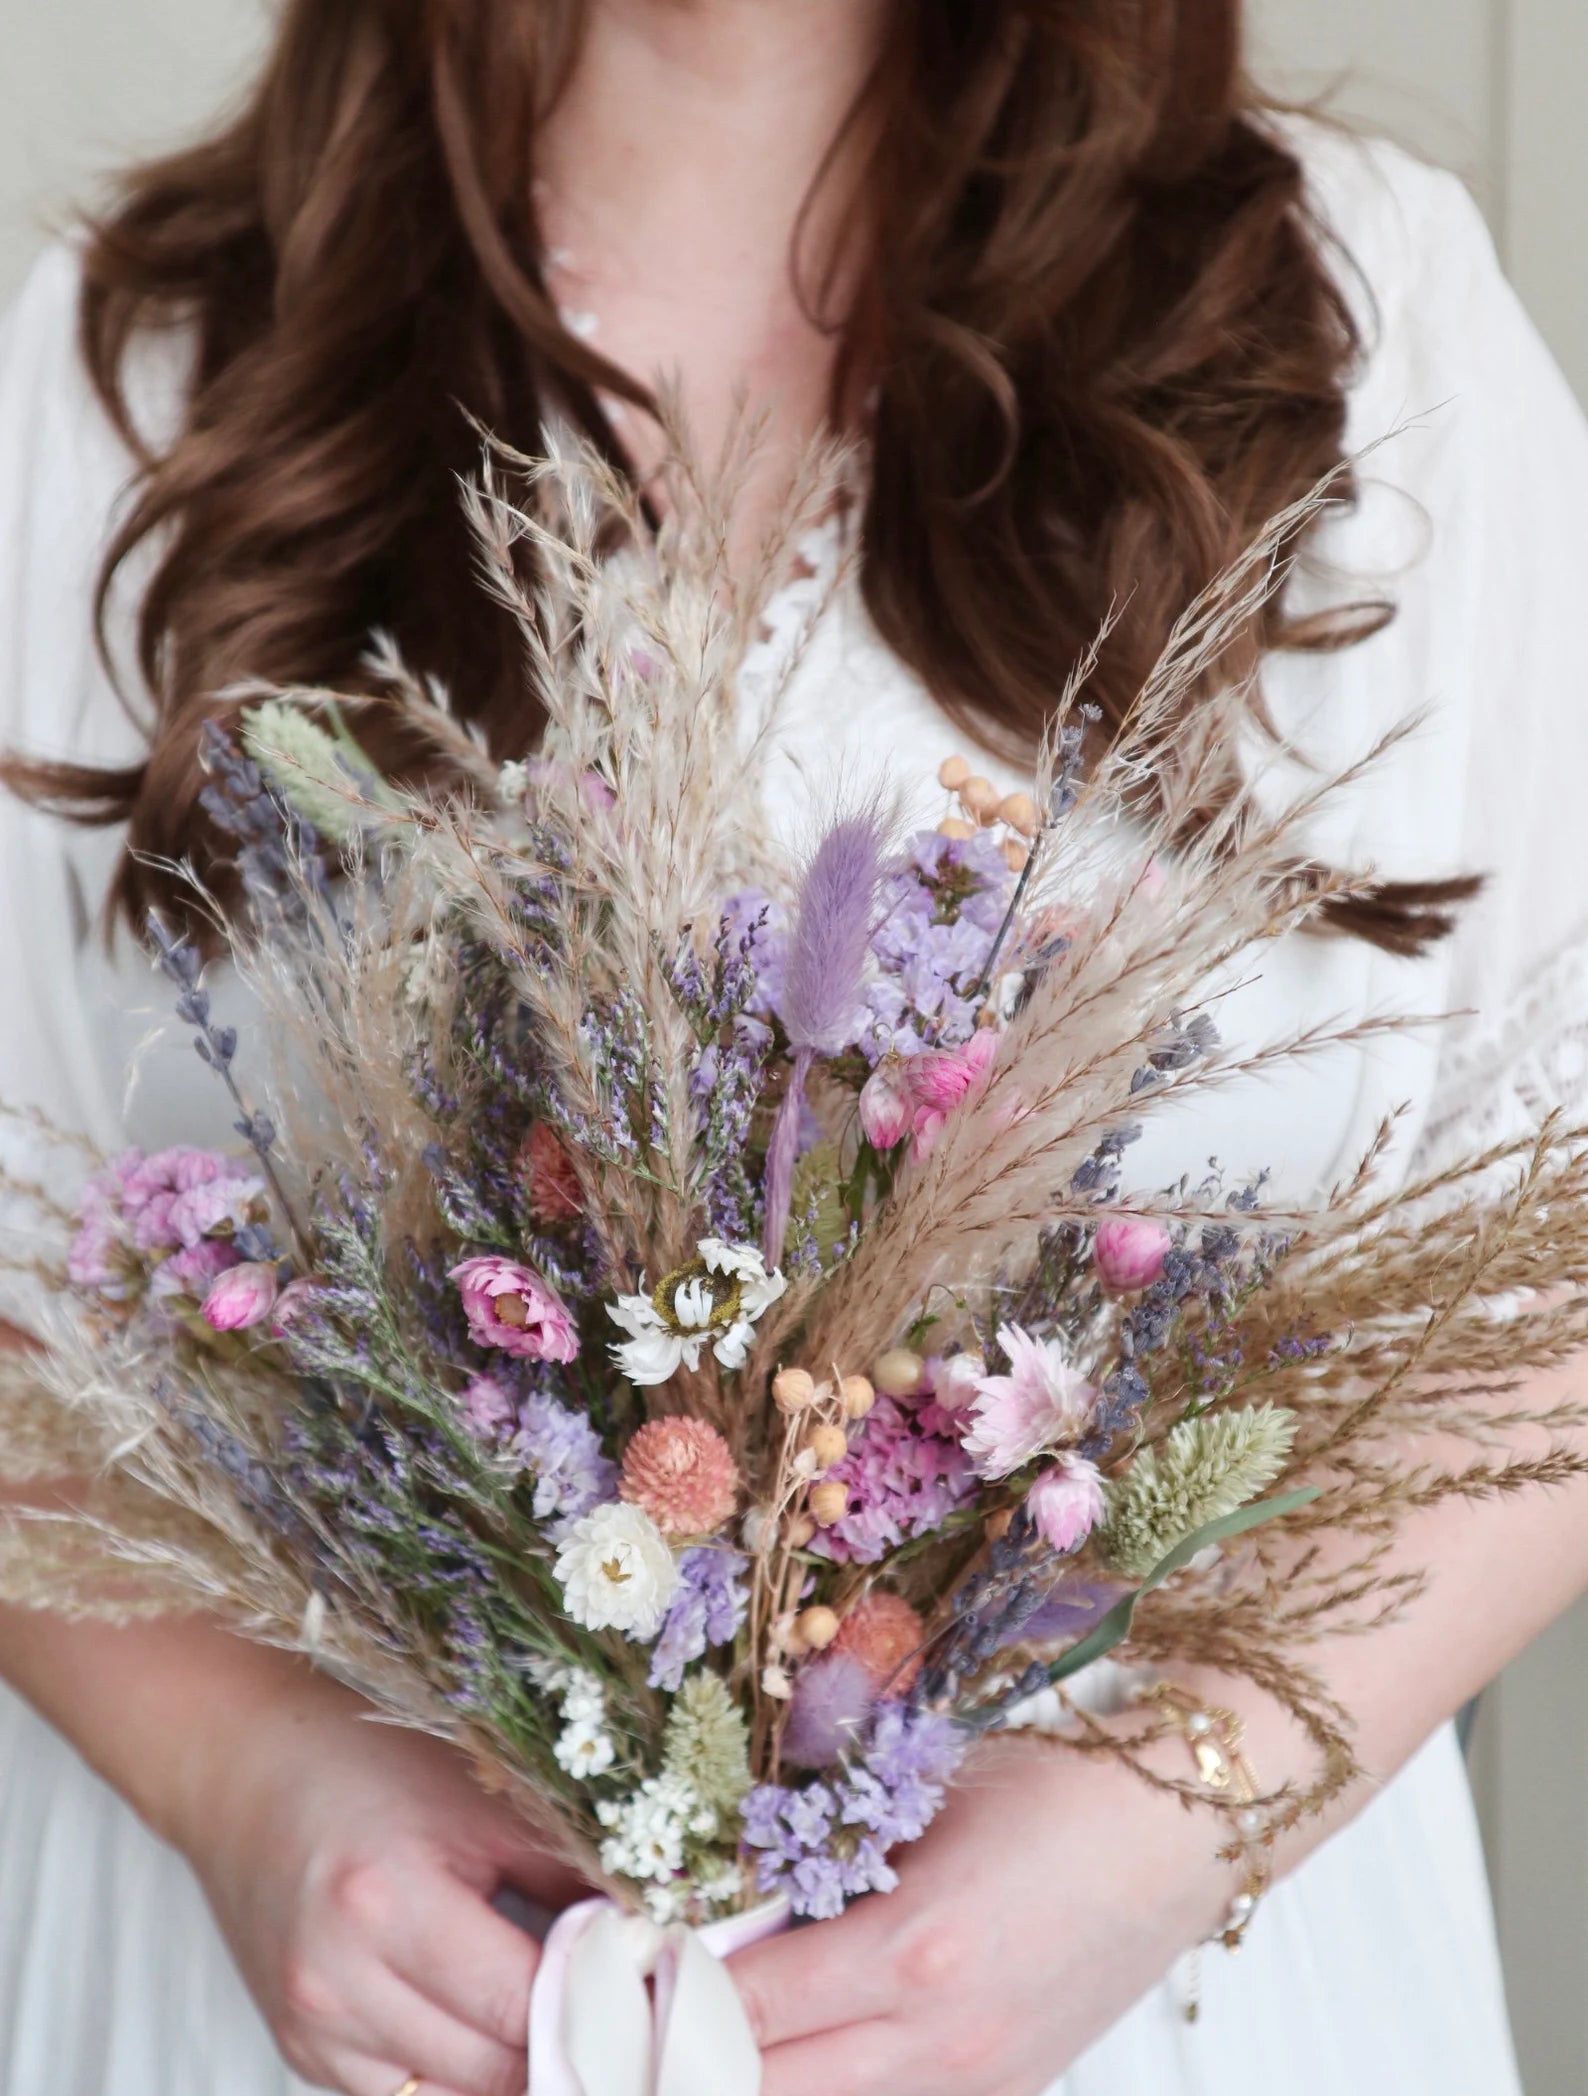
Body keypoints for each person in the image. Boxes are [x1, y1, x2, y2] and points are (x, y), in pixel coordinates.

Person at [2, 3, 1587, 2092]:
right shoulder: (136, 376)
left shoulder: (1357, 328)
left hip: (1168, 2010)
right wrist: (243, 1779)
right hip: (334, 2003)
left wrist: (1157, 1823)